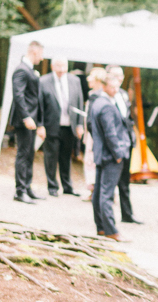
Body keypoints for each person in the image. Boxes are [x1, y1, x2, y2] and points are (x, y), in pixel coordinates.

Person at [90, 70, 132, 240]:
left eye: (117, 87)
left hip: (102, 154)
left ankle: (101, 227)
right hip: (110, 156)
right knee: (106, 195)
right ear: (104, 86)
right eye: (112, 87)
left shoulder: (97, 102)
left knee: (99, 192)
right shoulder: (106, 105)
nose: (116, 90)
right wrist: (119, 154)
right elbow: (110, 133)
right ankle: (111, 230)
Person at [100, 66, 143, 224]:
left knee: (125, 182)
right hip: (111, 145)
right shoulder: (100, 96)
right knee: (108, 184)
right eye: (115, 75)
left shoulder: (124, 94)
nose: (118, 78)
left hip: (125, 144)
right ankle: (106, 218)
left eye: (120, 75)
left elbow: (127, 118)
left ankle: (127, 214)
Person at [38, 57, 84, 197]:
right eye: (58, 66)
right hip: (51, 125)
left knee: (66, 157)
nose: (61, 70)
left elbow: (79, 102)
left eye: (63, 66)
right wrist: (40, 125)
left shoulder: (74, 80)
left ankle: (67, 186)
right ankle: (52, 186)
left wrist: (80, 124)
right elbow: (39, 105)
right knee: (51, 157)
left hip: (69, 125)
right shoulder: (43, 81)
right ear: (52, 66)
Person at [11, 40, 46, 203]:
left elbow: (35, 99)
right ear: (34, 52)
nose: (42, 58)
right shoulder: (21, 70)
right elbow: (18, 96)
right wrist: (26, 117)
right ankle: (20, 190)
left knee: (30, 154)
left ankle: (27, 187)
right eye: (41, 54)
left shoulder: (30, 70)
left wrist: (39, 123)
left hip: (32, 120)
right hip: (24, 120)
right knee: (23, 154)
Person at [82, 67, 106, 204]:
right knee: (89, 161)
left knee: (92, 162)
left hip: (95, 135)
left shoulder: (99, 96)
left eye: (91, 76)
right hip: (90, 134)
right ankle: (92, 190)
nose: (88, 78)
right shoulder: (92, 94)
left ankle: (95, 190)